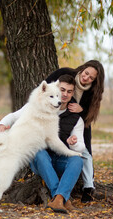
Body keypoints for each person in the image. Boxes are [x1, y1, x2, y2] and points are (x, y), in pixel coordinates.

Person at [0, 74, 85, 213]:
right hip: (40, 160)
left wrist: (73, 143)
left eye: (69, 91)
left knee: (78, 161)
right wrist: (2, 124)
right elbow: (14, 116)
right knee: (39, 151)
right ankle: (61, 198)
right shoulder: (35, 106)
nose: (64, 94)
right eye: (62, 89)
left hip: (60, 159)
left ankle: (58, 199)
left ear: (73, 93)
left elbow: (81, 147)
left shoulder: (76, 119)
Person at [45, 60, 105, 203]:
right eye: (86, 74)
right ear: (83, 69)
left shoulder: (93, 92)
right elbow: (44, 88)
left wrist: (81, 110)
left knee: (85, 152)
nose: (86, 78)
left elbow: (91, 114)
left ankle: (88, 188)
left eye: (91, 78)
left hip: (81, 121)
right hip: (57, 115)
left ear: (95, 80)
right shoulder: (64, 74)